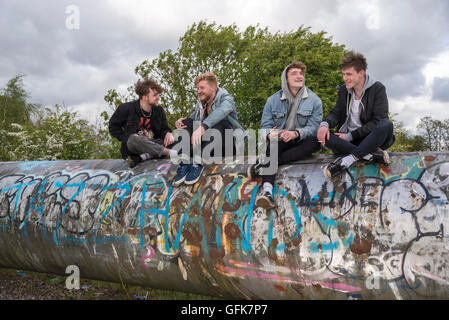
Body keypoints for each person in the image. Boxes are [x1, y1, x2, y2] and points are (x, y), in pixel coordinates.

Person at [248, 61, 322, 208]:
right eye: (294, 73)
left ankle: (264, 164)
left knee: (316, 141)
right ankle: (267, 191)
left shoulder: (314, 101)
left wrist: (295, 133)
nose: (299, 76)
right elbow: (263, 129)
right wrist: (271, 134)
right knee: (272, 145)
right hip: (281, 141)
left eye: (301, 74)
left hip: (301, 140)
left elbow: (314, 128)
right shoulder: (272, 100)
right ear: (285, 79)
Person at [317, 51, 395, 179]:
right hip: (350, 141)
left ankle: (347, 161)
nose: (344, 78)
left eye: (349, 74)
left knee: (386, 124)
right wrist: (325, 124)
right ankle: (370, 156)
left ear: (361, 73)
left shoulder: (378, 89)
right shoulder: (344, 90)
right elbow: (336, 113)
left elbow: (378, 120)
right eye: (343, 74)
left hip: (369, 138)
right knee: (323, 132)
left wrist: (350, 136)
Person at [173, 72, 244, 186]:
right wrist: (178, 124)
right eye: (197, 88)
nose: (198, 91)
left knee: (219, 122)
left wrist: (203, 126)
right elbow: (192, 119)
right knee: (187, 122)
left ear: (213, 88)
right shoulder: (201, 104)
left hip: (229, 144)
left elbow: (221, 112)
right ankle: (184, 163)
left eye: (202, 88)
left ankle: (198, 163)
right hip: (209, 145)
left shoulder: (226, 98)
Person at [108, 78, 177, 168]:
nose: (158, 98)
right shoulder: (126, 108)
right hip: (135, 147)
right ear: (144, 97)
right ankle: (169, 152)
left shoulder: (159, 110)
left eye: (158, 95)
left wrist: (168, 133)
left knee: (177, 136)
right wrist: (127, 137)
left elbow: (164, 129)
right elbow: (113, 127)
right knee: (134, 139)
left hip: (153, 144)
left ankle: (142, 158)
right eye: (155, 95)